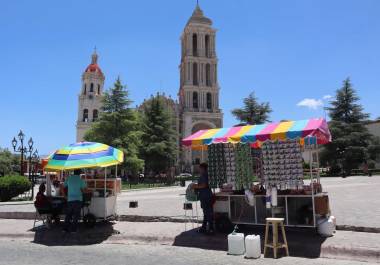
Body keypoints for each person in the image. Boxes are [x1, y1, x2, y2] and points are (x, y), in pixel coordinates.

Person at [192, 162, 214, 235]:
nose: (199, 169)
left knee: (208, 212)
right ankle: (204, 227)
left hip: (205, 196)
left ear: (202, 168)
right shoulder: (206, 175)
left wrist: (195, 186)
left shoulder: (204, 175)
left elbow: (204, 185)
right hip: (207, 195)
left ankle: (210, 228)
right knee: (206, 212)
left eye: (200, 168)